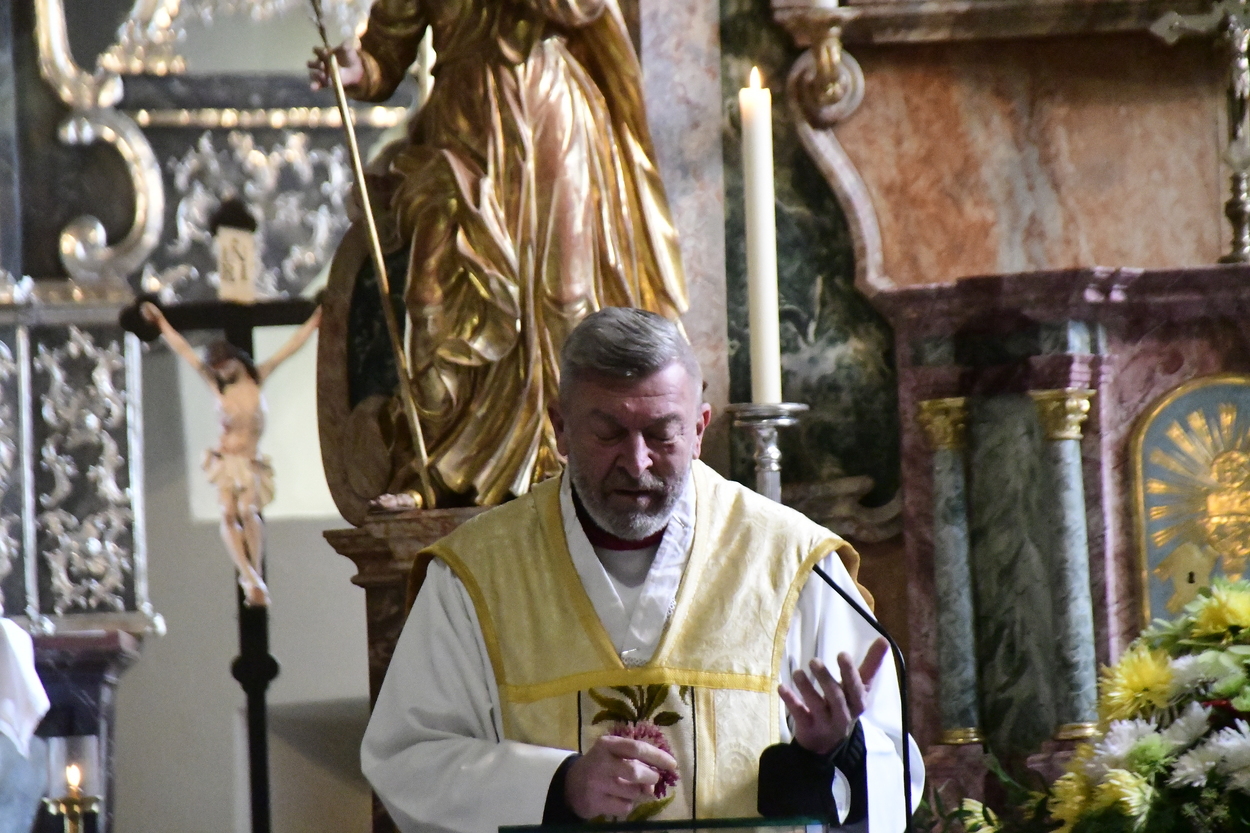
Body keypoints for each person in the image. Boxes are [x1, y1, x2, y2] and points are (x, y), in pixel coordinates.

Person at [362, 308, 924, 832]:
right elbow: (409, 760)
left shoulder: (793, 560)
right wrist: (560, 785)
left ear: (699, 428)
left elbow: (895, 770)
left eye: (661, 433)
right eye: (608, 432)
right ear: (560, 428)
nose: (637, 462)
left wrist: (829, 751)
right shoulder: (477, 573)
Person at [308, 0, 687, 508]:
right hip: (461, 130)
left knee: (565, 300)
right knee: (431, 301)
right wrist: (360, 68)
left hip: (549, 114)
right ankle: (437, 473)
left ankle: (570, 463)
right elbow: (387, 46)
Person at [141, 303, 322, 606]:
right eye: (219, 369)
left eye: (226, 365)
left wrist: (315, 321)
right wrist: (161, 324)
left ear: (234, 359)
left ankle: (255, 574)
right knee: (228, 514)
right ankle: (248, 576)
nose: (224, 372)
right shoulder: (217, 387)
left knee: (249, 511)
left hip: (249, 460)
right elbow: (185, 351)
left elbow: (291, 347)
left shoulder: (257, 378)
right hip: (226, 459)